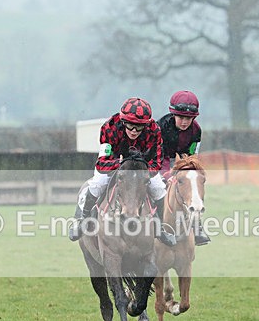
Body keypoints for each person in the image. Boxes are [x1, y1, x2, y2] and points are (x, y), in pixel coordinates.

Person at [69, 97, 176, 246]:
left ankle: (160, 228)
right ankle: (83, 220)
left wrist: (141, 167)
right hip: (114, 164)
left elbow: (157, 163)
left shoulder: (154, 130)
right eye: (130, 126)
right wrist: (121, 164)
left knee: (159, 189)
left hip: (141, 168)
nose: (133, 131)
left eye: (138, 127)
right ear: (123, 121)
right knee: (97, 184)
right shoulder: (109, 128)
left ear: (145, 125)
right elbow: (102, 163)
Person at [156, 90, 210, 245]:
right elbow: (161, 156)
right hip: (160, 161)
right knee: (156, 186)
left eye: (189, 118)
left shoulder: (196, 130)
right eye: (181, 117)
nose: (185, 121)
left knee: (194, 183)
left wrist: (188, 171)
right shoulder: (161, 127)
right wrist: (168, 175)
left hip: (182, 162)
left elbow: (192, 156)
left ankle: (197, 225)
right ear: (173, 115)